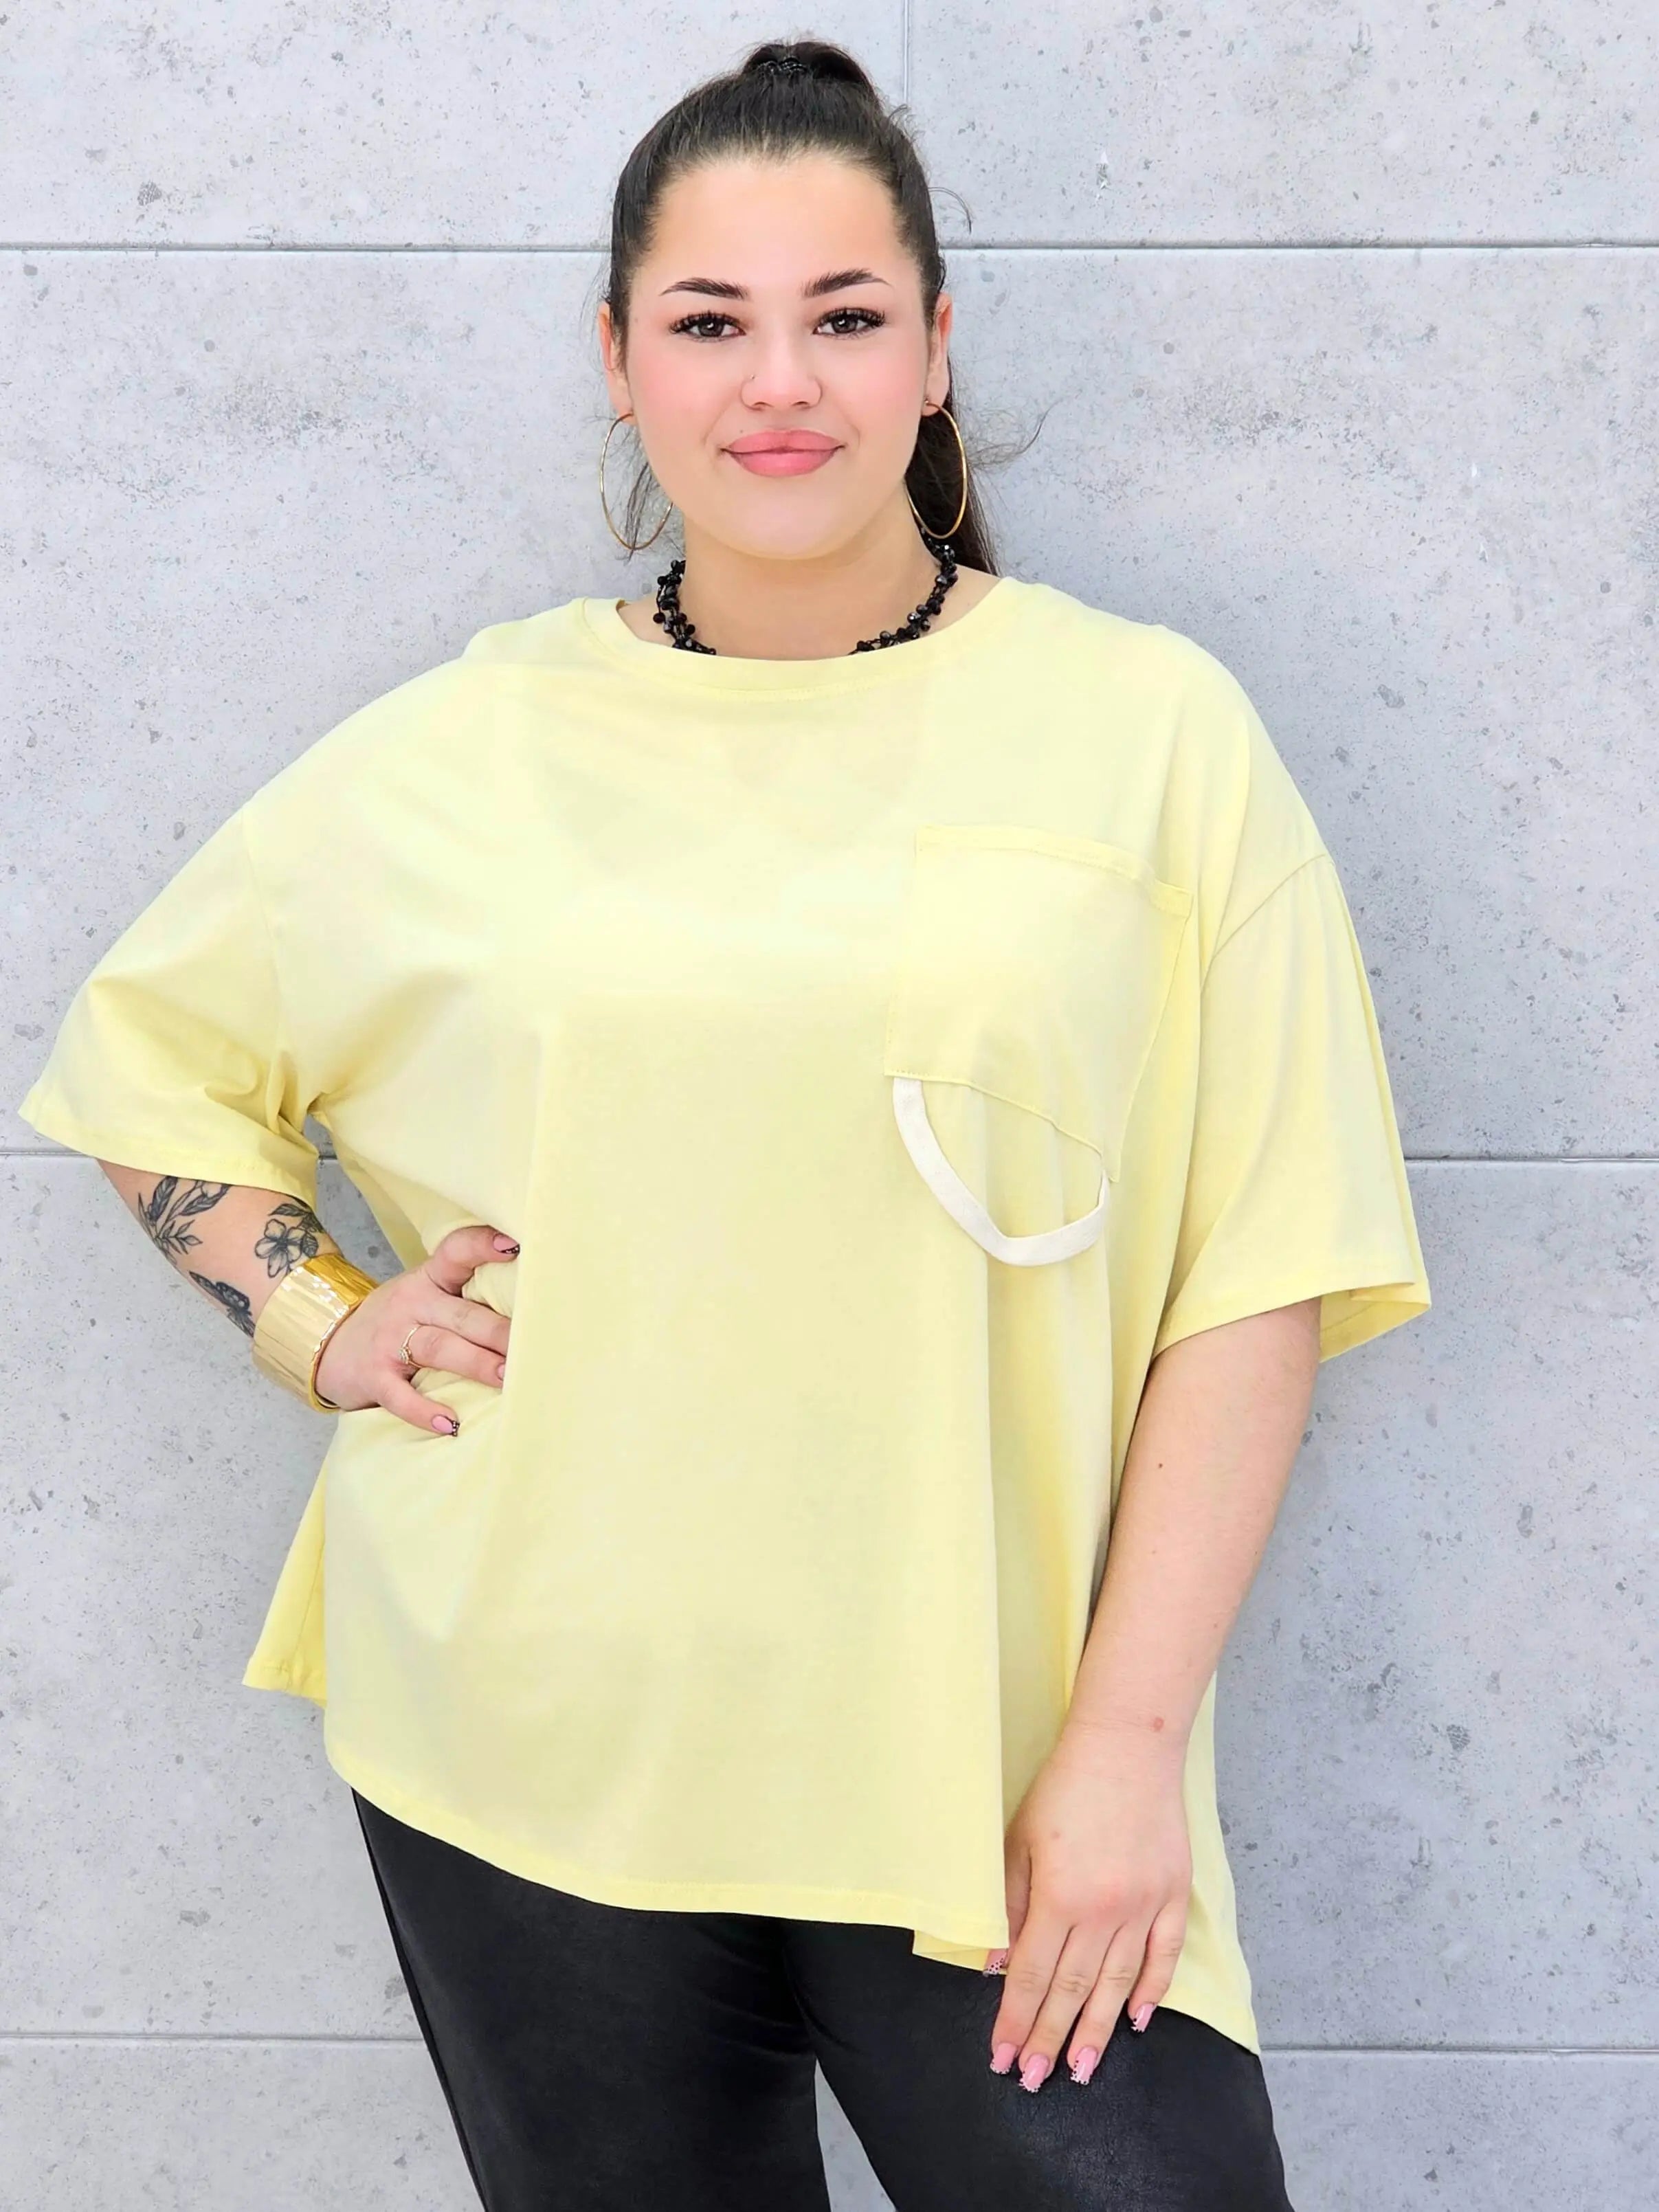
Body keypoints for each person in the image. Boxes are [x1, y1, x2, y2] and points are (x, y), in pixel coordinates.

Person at [16, 36, 1430, 2212]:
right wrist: (324, 1316)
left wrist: (1128, 1746)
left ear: (937, 348)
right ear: (617, 359)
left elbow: (1262, 1265)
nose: (782, 382)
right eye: (709, 322)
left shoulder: (1152, 733)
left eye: (845, 316)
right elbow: (150, 1059)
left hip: (989, 1767)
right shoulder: (472, 740)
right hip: (538, 1742)